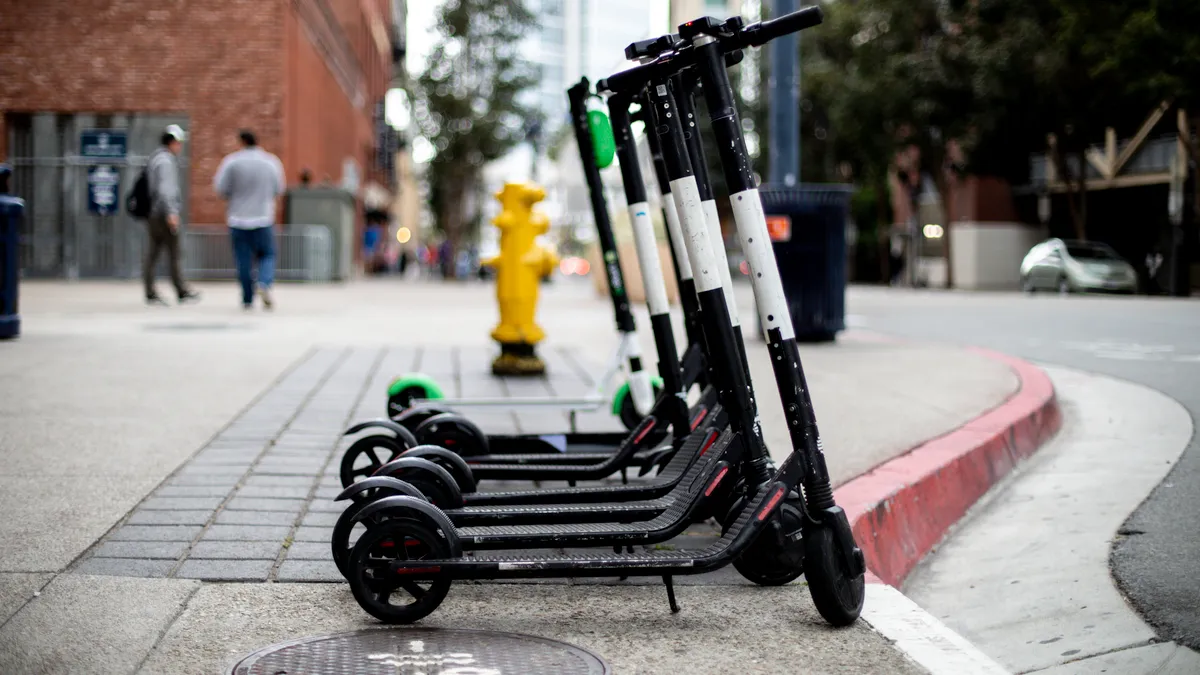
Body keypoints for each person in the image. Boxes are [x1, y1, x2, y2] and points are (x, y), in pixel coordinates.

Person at [213, 130, 285, 310]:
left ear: (242, 142)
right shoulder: (271, 162)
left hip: (238, 219)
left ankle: (247, 297)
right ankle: (264, 282)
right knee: (267, 254)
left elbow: (221, 188)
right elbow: (279, 188)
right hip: (263, 218)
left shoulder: (232, 162)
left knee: (243, 260)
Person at [144, 124, 201, 305]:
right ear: (171, 142)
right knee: (174, 253)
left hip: (155, 213)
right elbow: (166, 189)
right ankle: (180, 289)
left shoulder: (155, 158)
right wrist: (172, 213)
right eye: (179, 142)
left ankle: (151, 290)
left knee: (153, 253)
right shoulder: (165, 161)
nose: (180, 147)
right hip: (163, 214)